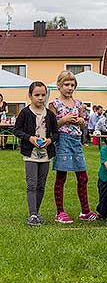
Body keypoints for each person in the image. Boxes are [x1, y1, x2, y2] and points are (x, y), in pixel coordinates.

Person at [49, 70, 96, 224]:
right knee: (61, 177)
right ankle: (60, 212)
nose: (70, 88)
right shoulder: (54, 104)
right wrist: (64, 119)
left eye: (72, 85)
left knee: (83, 177)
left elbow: (84, 121)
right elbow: (51, 126)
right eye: (66, 84)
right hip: (62, 141)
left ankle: (85, 211)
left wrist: (81, 121)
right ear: (59, 86)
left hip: (76, 141)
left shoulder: (79, 104)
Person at [14, 81, 59, 226]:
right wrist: (30, 138)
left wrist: (50, 140)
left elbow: (56, 133)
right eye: (37, 95)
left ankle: (36, 213)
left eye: (43, 95)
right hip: (30, 154)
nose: (40, 98)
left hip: (45, 155)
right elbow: (17, 130)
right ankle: (32, 214)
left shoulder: (50, 115)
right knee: (31, 184)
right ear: (30, 96)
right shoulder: (25, 113)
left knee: (41, 185)